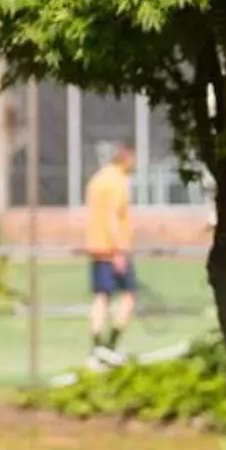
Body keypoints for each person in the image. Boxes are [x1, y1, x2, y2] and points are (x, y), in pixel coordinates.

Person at [83, 139, 137, 362]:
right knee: (128, 297)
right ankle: (109, 345)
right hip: (114, 249)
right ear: (125, 156)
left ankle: (97, 347)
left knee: (101, 297)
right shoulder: (117, 182)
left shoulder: (97, 180)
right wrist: (118, 252)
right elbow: (112, 217)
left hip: (97, 247)